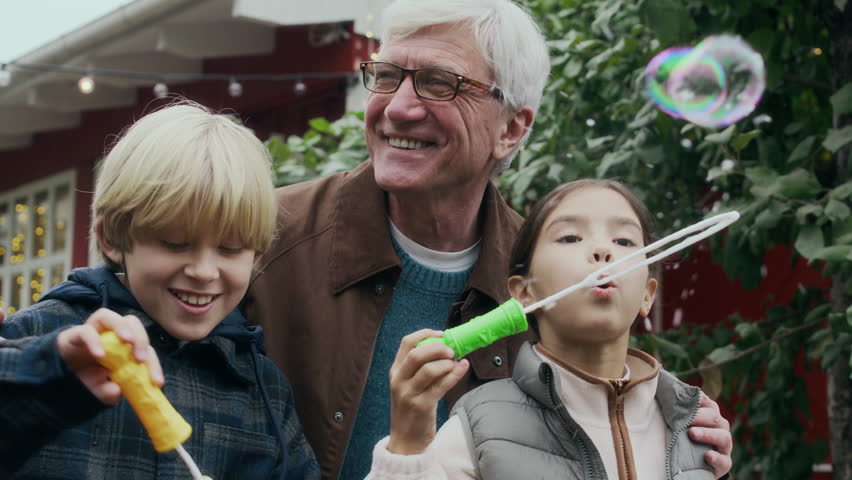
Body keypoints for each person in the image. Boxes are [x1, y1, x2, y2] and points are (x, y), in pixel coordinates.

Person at [244, 0, 733, 478]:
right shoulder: (262, 238)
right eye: (388, 75)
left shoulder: (550, 280)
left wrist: (676, 441)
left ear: (512, 128)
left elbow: (600, 415)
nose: (398, 108)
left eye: (439, 83)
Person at [0, 103, 320, 479]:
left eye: (231, 249)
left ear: (257, 253)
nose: (203, 272)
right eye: (174, 243)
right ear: (112, 239)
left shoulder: (260, 388)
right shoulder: (43, 342)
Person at [367, 179, 717, 479]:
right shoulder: (478, 428)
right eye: (570, 238)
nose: (602, 251)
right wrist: (407, 448)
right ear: (524, 292)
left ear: (647, 296)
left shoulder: (692, 425)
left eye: (624, 241)